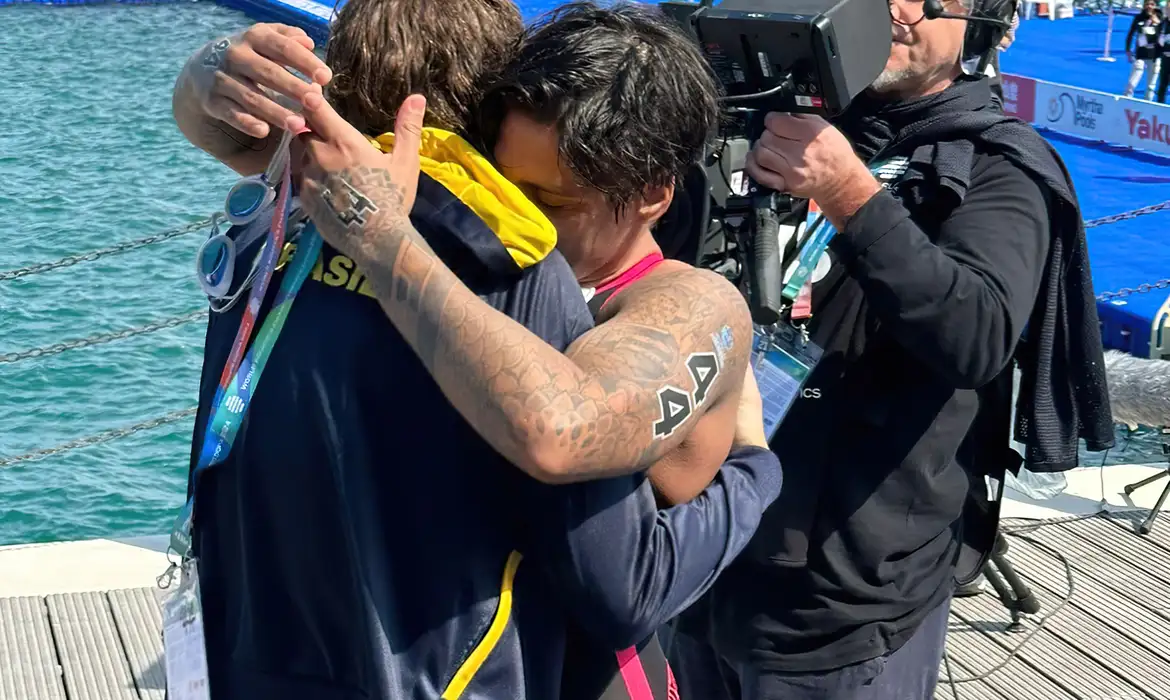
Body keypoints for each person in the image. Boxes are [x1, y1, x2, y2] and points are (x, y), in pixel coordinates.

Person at [169, 1, 781, 698]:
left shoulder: (678, 301)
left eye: (549, 198)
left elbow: (594, 507)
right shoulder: (483, 262)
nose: (519, 212)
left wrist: (756, 471)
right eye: (503, 178)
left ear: (650, 195)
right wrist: (212, 72)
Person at [658, 0, 1117, 697]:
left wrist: (850, 193)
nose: (898, 8)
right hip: (710, 545)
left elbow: (978, 336)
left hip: (842, 590)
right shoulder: (770, 123)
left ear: (982, 20)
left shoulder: (998, 167)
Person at [1125, 0, 1163, 100]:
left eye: (1152, 4)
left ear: (1155, 6)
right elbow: (1130, 34)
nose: (1149, 6)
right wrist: (1128, 50)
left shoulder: (1160, 17)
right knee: (1132, 82)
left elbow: (1165, 36)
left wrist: (1158, 23)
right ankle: (1127, 99)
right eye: (1147, 4)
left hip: (1155, 55)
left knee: (1151, 86)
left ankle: (1148, 103)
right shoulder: (1139, 18)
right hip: (1140, 53)